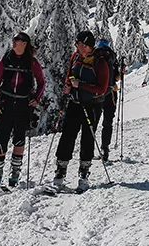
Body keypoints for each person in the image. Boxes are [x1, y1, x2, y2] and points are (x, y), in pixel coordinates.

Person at [52, 30, 110, 192]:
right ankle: (60, 173)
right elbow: (70, 75)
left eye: (77, 43)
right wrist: (68, 85)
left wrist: (81, 85)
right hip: (75, 102)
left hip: (92, 105)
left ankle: (83, 176)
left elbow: (102, 88)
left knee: (87, 138)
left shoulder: (100, 63)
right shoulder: (75, 57)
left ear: (85, 45)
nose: (76, 45)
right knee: (67, 136)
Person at [0, 31, 45, 189]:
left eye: (17, 40)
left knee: (19, 139)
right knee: (2, 139)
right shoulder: (5, 59)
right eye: (14, 39)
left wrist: (36, 99)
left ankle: (15, 172)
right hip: (5, 104)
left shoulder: (32, 63)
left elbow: (41, 82)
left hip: (23, 105)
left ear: (24, 44)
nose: (13, 42)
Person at [95, 39, 121, 162]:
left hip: (97, 94)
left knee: (93, 122)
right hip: (111, 94)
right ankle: (105, 148)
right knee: (107, 122)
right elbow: (117, 77)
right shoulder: (112, 58)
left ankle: (88, 151)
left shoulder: (95, 57)